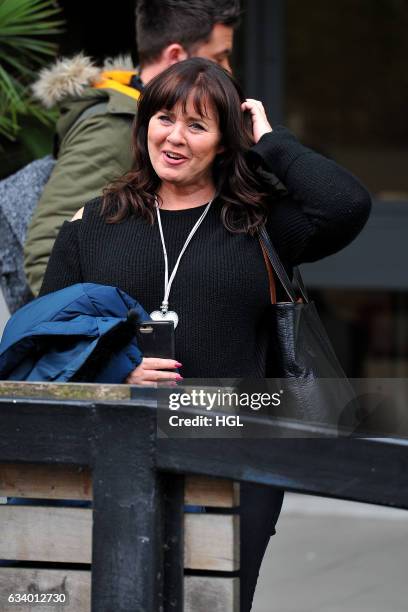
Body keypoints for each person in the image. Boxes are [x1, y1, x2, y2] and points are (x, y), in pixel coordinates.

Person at [39, 58, 372, 610]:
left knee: (213, 601)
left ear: (225, 142)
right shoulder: (93, 224)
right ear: (144, 122)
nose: (175, 138)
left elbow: (347, 204)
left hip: (237, 448)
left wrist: (273, 143)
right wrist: (120, 369)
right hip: (118, 450)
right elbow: (52, 342)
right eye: (164, 118)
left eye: (198, 125)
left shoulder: (260, 222)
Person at [23, 0, 240, 298]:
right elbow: (49, 248)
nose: (228, 69)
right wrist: (94, 334)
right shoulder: (116, 126)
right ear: (176, 56)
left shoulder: (140, 115)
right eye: (221, 57)